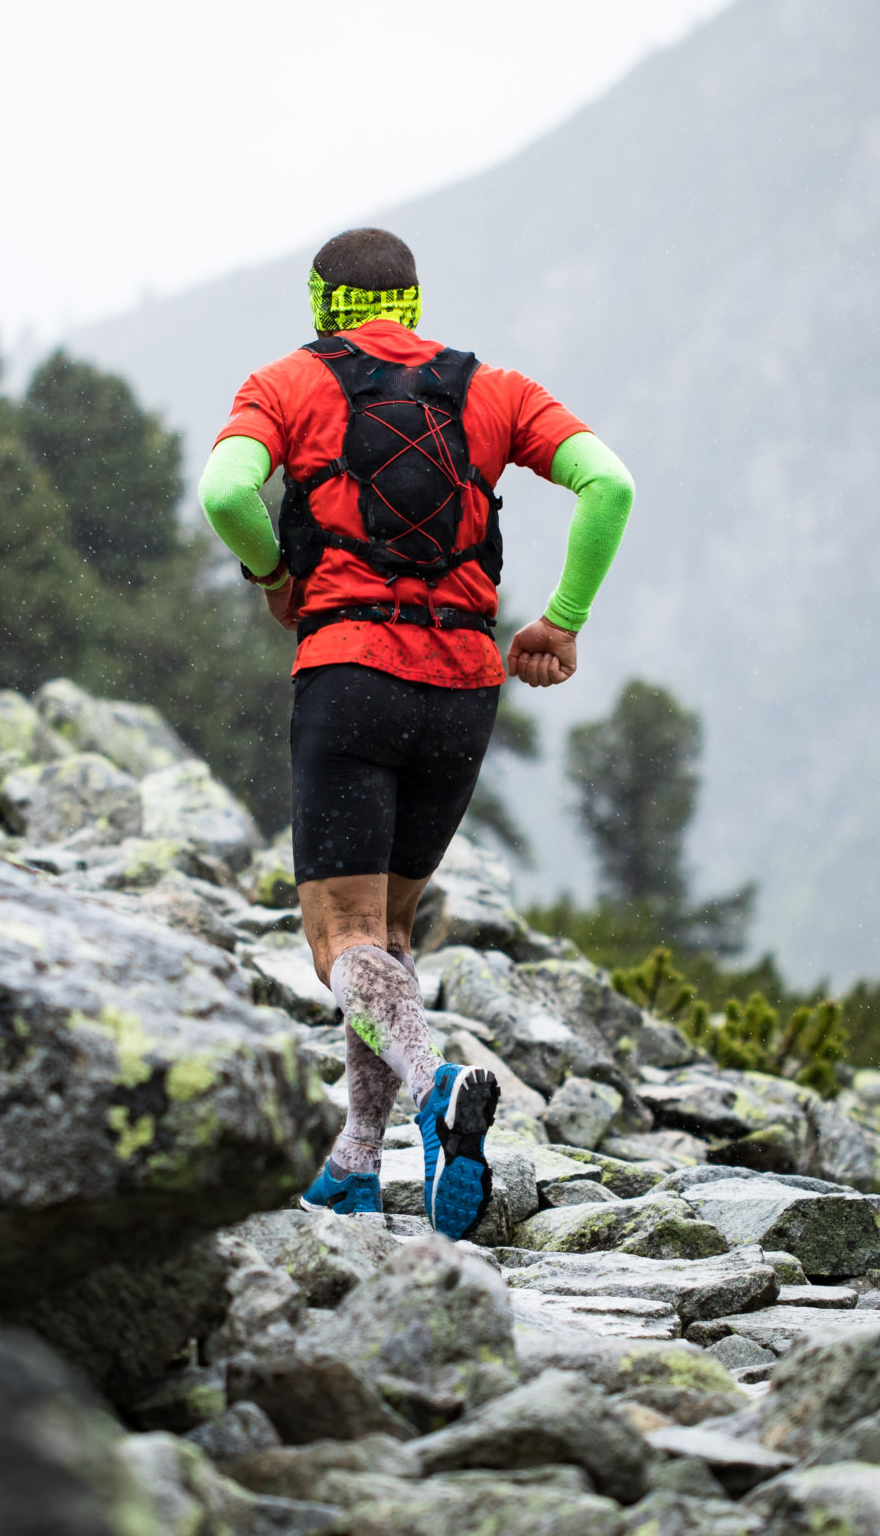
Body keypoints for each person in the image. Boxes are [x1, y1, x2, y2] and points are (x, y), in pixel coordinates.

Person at [200, 227, 635, 1238]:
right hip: (461, 688)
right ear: (410, 302)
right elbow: (607, 484)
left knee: (339, 938)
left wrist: (275, 576)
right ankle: (356, 1159)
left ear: (322, 302)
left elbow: (226, 492)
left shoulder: (284, 383)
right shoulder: (492, 391)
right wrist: (561, 620)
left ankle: (434, 1087)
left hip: (352, 673)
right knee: (388, 934)